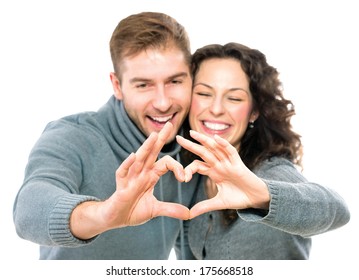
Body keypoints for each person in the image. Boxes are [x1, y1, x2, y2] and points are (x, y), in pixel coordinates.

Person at [13, 12, 201, 260]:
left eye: (174, 81)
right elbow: (28, 210)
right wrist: (105, 214)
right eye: (143, 85)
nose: (163, 102)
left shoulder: (191, 145)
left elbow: (190, 251)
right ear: (117, 86)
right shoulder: (72, 135)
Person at [176, 42, 350, 259]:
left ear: (254, 112)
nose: (216, 108)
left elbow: (338, 211)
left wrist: (261, 195)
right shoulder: (194, 175)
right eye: (203, 93)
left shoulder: (270, 171)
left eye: (234, 98)